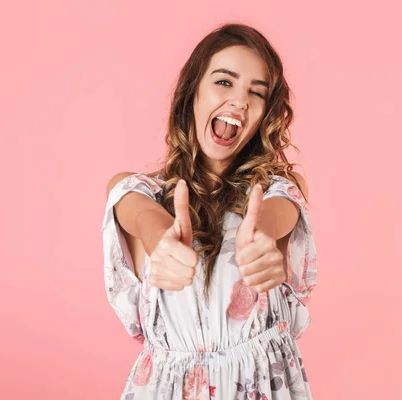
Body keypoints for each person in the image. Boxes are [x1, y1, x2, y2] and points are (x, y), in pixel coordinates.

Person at [102, 23, 318, 400]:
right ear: (193, 93)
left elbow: (276, 214)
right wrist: (158, 238)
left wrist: (262, 238)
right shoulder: (141, 194)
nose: (240, 101)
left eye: (257, 92)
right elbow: (136, 212)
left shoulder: (280, 192)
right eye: (224, 82)